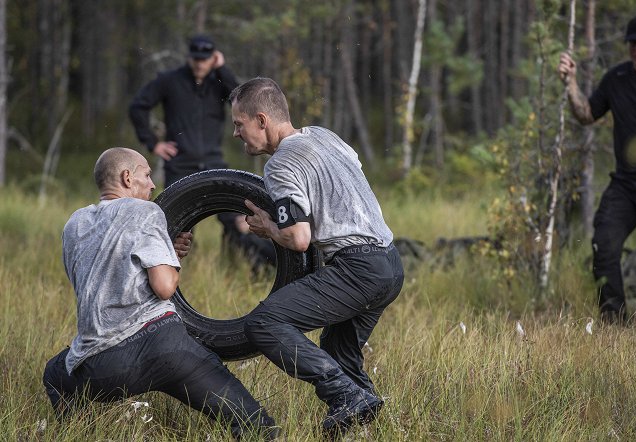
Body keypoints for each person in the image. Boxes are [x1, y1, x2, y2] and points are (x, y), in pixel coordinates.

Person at [42, 147, 277, 440]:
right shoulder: (146, 211)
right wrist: (170, 261)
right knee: (255, 425)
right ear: (128, 178)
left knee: (54, 374)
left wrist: (164, 250)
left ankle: (82, 433)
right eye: (147, 175)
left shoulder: (74, 223)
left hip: (95, 365)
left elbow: (102, 273)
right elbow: (165, 287)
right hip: (159, 347)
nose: (153, 185)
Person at [229, 78, 404, 436]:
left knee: (263, 324)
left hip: (357, 267)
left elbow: (297, 237)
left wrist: (268, 228)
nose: (236, 133)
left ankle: (343, 394)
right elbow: (351, 170)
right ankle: (359, 419)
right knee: (339, 351)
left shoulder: (279, 165)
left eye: (238, 124)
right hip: (390, 263)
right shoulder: (323, 135)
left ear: (261, 120)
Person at [129, 35, 275, 270]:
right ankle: (173, 271)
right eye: (196, 59)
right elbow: (138, 106)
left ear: (213, 58)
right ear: (189, 57)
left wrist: (223, 69)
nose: (199, 64)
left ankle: (243, 267)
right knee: (176, 222)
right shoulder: (169, 81)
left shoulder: (219, 82)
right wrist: (153, 143)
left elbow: (243, 100)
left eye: (205, 59)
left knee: (234, 217)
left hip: (213, 161)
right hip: (180, 164)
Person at [558, 13, 636, 326]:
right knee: (603, 245)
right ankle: (614, 321)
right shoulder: (617, 79)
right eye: (632, 43)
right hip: (627, 186)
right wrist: (571, 82)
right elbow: (587, 114)